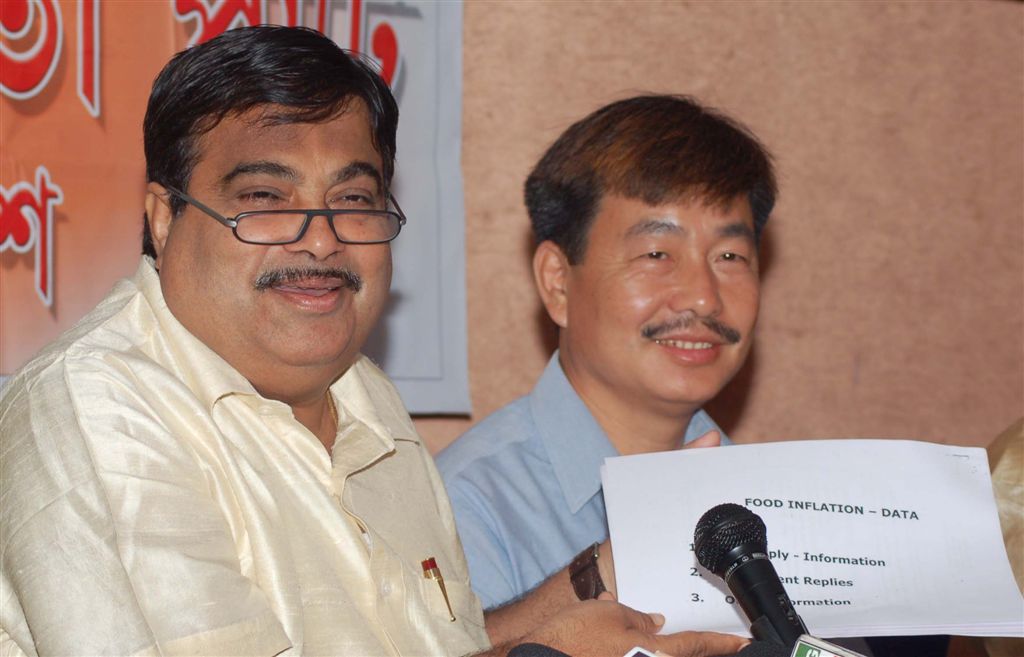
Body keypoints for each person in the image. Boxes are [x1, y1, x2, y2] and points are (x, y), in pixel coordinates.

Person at [0, 27, 745, 657]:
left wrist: (582, 599)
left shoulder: (363, 396)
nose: (321, 239)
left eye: (354, 200)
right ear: (165, 217)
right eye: (265, 199)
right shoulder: (97, 408)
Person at [437, 95, 776, 609]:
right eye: (657, 254)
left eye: (730, 255)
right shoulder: (464, 509)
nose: (705, 296)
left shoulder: (774, 500)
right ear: (557, 283)